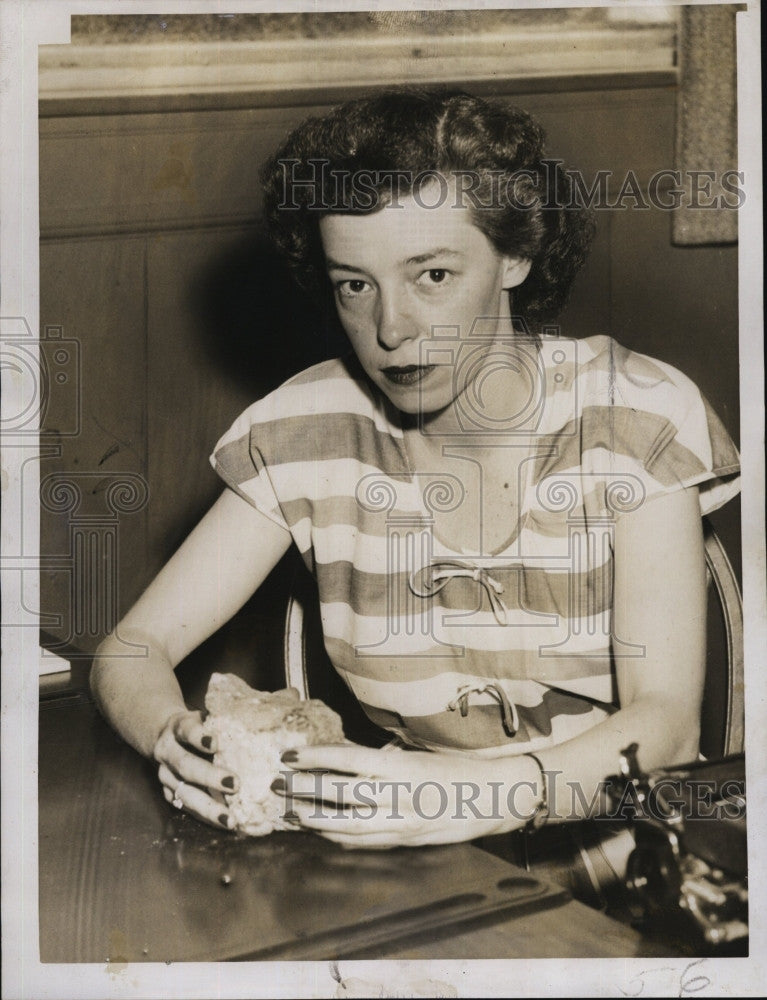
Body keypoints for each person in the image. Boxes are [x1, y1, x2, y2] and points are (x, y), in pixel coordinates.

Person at [91, 91, 740, 867]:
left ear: (515, 256)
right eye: (353, 285)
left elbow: (667, 728)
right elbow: (131, 647)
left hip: (636, 858)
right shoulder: (307, 426)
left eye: (431, 275)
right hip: (419, 858)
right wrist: (172, 738)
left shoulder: (633, 414)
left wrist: (448, 799)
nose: (390, 329)